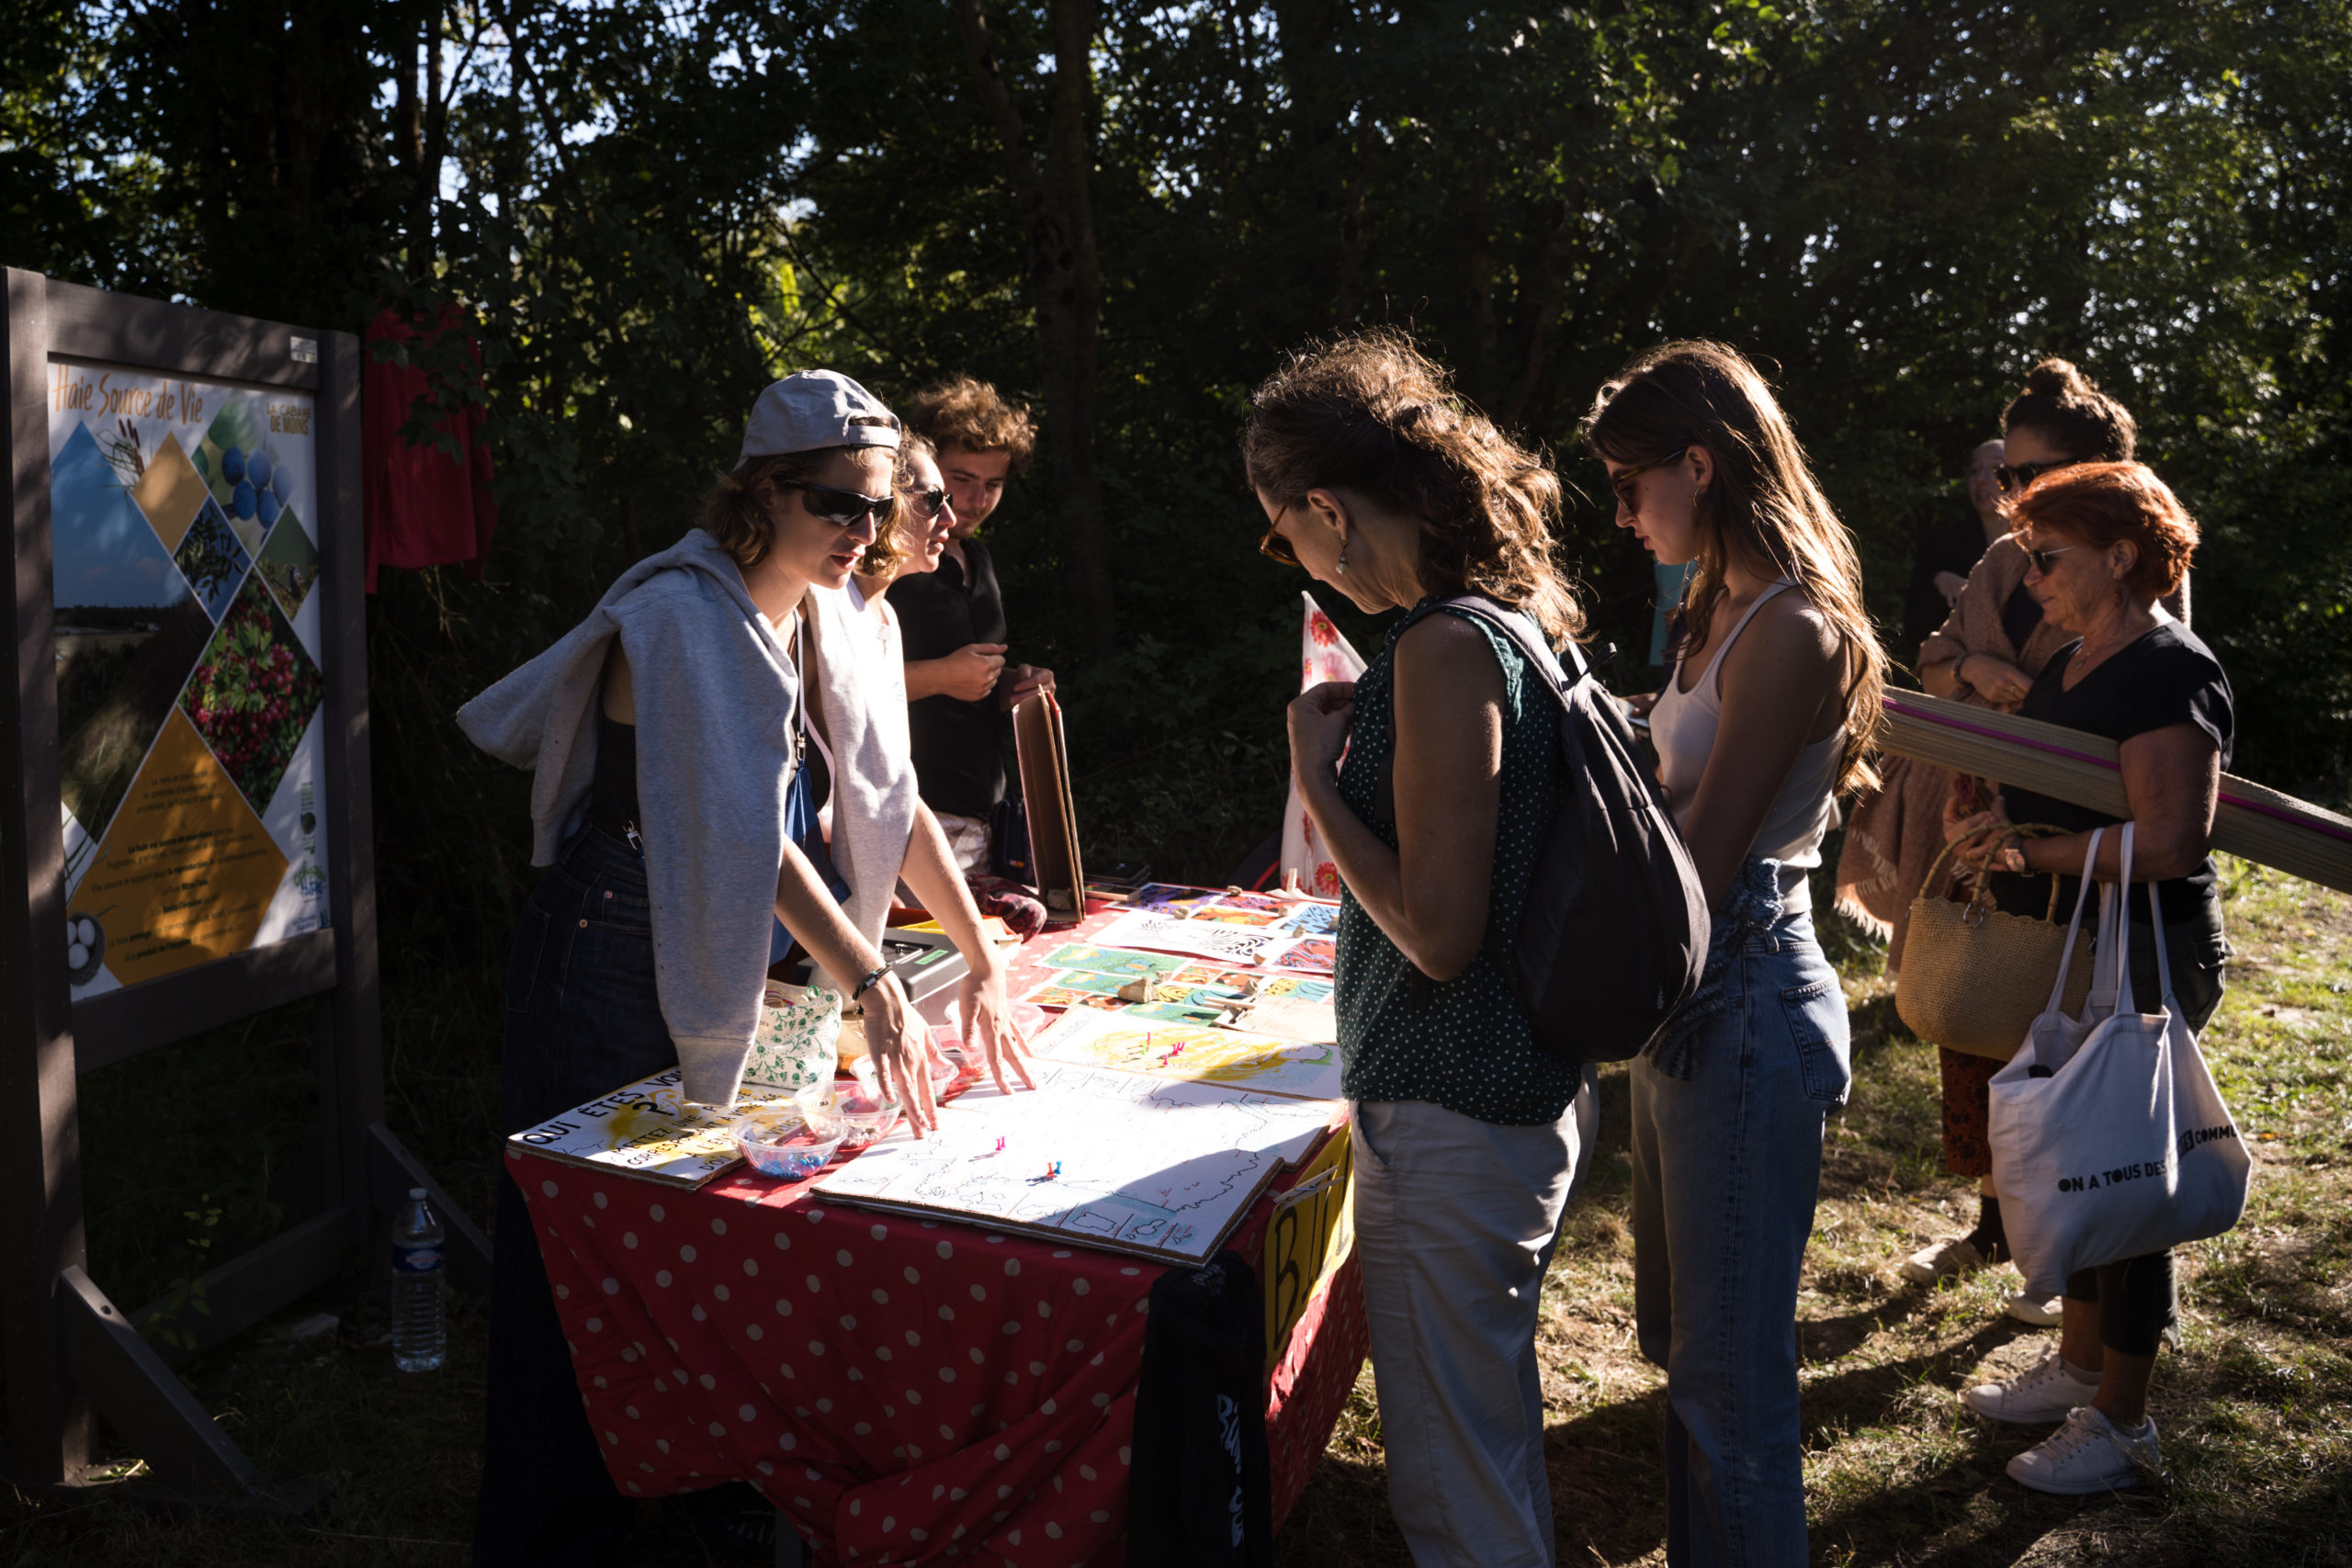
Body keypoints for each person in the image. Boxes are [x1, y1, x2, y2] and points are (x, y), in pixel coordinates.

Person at [456, 371, 1032, 1566]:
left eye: (879, 510)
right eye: (844, 506)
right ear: (762, 491)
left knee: (706, 1226)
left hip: (729, 941)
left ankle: (702, 1487)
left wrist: (962, 950)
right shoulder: (684, 615)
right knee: (579, 1240)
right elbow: (740, 828)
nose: (867, 537)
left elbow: (875, 794)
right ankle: (553, 1527)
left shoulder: (822, 608)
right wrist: (870, 980)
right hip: (612, 937)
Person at [1249, 331, 1598, 1566]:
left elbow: (1440, 934)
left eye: (1278, 530)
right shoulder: (1500, 619)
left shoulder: (1448, 648)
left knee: (1454, 1490)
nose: (1287, 556)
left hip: (1458, 1100)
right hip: (1501, 1090)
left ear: (1327, 510)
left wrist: (1314, 775)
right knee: (1481, 1441)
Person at [1587, 341, 1886, 1568]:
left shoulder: (1795, 627)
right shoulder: (1706, 599)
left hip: (1746, 990)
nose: (1618, 510)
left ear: (1699, 464)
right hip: (1692, 994)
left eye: (1628, 482)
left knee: (1732, 1382)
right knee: (1681, 1345)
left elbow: (1698, 859)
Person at [1939, 460, 2231, 1496]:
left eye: (2047, 558)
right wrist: (1988, 827)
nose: (2031, 581)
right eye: (2024, 560)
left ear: (2120, 556)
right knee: (2078, 1157)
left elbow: (2165, 842)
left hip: (2145, 946)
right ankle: (2075, 1370)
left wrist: (2027, 859)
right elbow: (2054, 799)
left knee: (2123, 1177)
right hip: (2078, 945)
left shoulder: (2166, 668)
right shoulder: (2070, 661)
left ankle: (2123, 1422)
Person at [1874, 360, 2182, 1326]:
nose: (2008, 496)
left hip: (2080, 858)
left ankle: (2079, 1295)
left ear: (2099, 473)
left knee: (2065, 1065)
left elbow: (2153, 726)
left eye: (2030, 474)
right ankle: (1998, 1229)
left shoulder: (2142, 581)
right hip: (1984, 828)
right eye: (2005, 475)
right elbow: (1929, 655)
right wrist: (1971, 664)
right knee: (1983, 1026)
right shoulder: (2008, 562)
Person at [891, 377, 1055, 874]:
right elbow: (826, 689)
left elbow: (970, 673)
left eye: (994, 484)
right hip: (907, 816)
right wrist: (942, 675)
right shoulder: (882, 560)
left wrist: (1013, 685)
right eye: (961, 479)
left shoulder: (979, 558)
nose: (976, 500)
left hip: (986, 815)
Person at [1900, 439, 2008, 654]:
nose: (1980, 480)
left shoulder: (2042, 542)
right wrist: (1937, 584)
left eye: (1996, 469)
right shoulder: (1941, 543)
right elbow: (1913, 632)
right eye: (1975, 471)